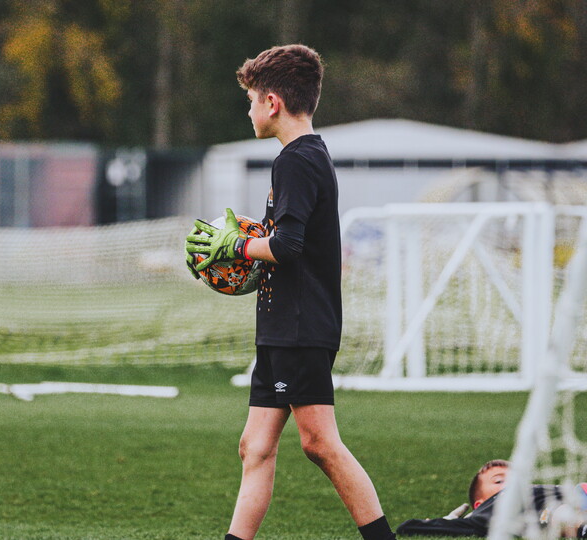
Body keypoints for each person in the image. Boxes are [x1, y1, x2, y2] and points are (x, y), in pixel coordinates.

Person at [185, 44, 396, 540]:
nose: (249, 111)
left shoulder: (296, 161)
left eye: (251, 101)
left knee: (320, 444)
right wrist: (250, 248)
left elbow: (288, 246)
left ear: (272, 102)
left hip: (300, 327)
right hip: (282, 327)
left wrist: (237, 246)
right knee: (255, 447)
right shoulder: (304, 156)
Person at [397, 459, 587, 538]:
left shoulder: (541, 489)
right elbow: (406, 527)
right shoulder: (485, 513)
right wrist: (445, 522)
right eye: (499, 481)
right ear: (479, 505)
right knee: (561, 514)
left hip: (577, 496)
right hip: (555, 513)